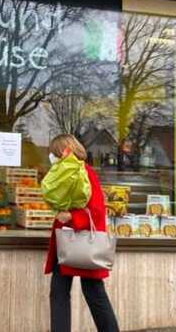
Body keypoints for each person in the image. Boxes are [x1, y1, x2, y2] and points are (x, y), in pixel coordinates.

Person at [44, 134, 119, 332]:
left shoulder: (85, 172)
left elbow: (97, 211)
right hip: (68, 242)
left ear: (64, 151)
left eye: (54, 153)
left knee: (94, 293)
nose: (52, 157)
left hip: (81, 242)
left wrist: (70, 217)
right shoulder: (65, 173)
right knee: (59, 292)